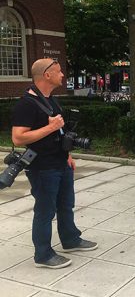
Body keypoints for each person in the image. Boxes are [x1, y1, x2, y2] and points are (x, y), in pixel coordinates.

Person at [11, 58, 97, 269]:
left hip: (60, 162)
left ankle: (70, 240)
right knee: (45, 211)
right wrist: (49, 128)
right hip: (42, 167)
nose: (62, 76)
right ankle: (43, 254)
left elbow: (60, 131)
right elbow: (18, 138)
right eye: (59, 72)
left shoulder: (51, 100)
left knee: (66, 205)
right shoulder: (27, 103)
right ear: (46, 75)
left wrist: (68, 155)